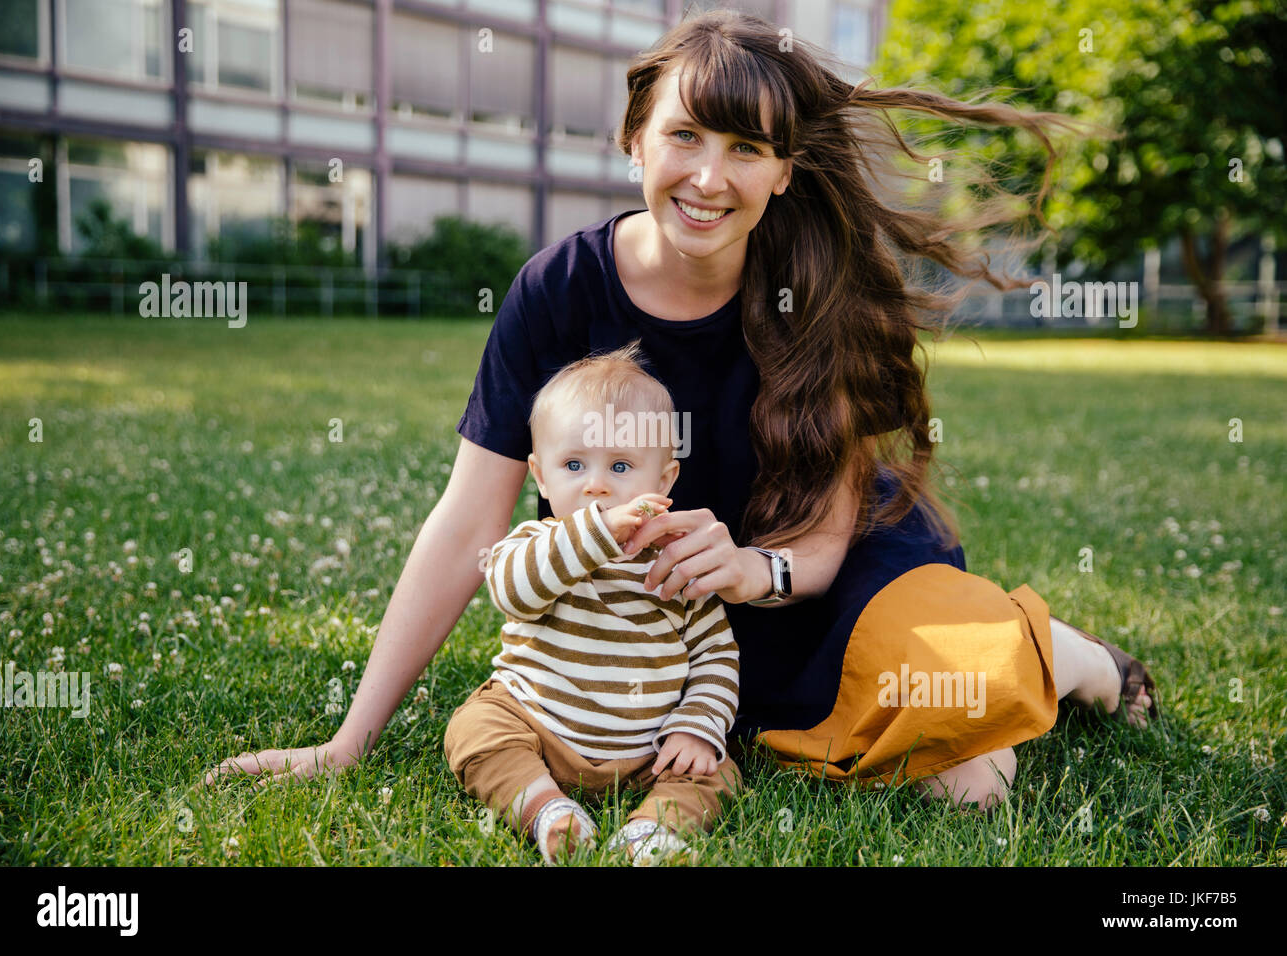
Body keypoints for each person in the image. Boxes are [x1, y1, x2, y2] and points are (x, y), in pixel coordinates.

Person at [206, 8, 1158, 815]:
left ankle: (1085, 663)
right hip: (663, 629)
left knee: (976, 780)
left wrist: (750, 567)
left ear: (783, 173)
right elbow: (467, 524)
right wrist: (346, 742)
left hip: (814, 583)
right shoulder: (558, 289)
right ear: (634, 142)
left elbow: (825, 542)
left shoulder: (812, 295)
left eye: (747, 150)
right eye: (685, 137)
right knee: (954, 772)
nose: (710, 178)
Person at [443, 342, 741, 864]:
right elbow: (513, 589)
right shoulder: (535, 542)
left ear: (665, 479)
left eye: (621, 466)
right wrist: (592, 538)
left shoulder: (677, 561)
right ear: (540, 475)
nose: (596, 486)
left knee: (717, 770)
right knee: (474, 727)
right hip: (538, 725)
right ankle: (546, 809)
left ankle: (654, 831)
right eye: (574, 464)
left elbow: (716, 657)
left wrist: (696, 725)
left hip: (647, 750)